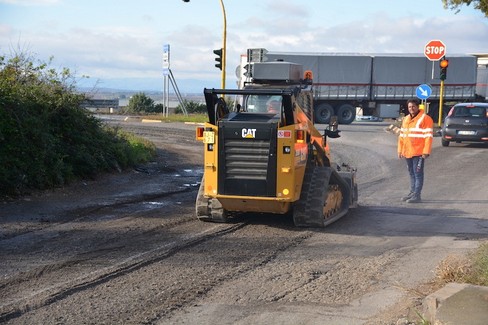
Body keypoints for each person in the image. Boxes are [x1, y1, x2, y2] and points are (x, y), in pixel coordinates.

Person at [397, 98, 434, 203]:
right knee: (411, 173)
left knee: (418, 174)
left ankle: (417, 195)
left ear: (418, 107)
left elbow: (428, 137)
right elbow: (402, 136)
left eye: (413, 106)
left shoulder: (425, 119)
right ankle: (412, 193)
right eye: (409, 107)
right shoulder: (406, 119)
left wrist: (426, 152)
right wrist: (400, 151)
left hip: (419, 152)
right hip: (408, 152)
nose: (411, 109)